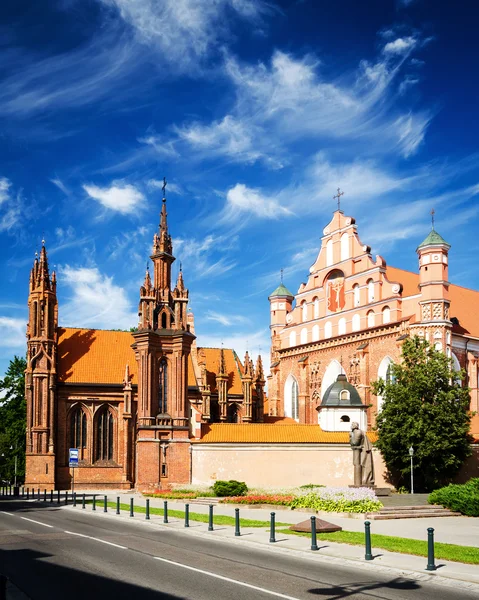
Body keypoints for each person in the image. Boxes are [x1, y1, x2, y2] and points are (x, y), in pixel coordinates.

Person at [349, 422, 375, 486]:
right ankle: (361, 481)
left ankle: (365, 481)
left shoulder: (358, 432)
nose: (351, 426)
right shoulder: (354, 432)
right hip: (361, 450)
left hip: (364, 450)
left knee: (364, 464)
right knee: (359, 464)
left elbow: (355, 443)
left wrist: (351, 436)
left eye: (352, 425)